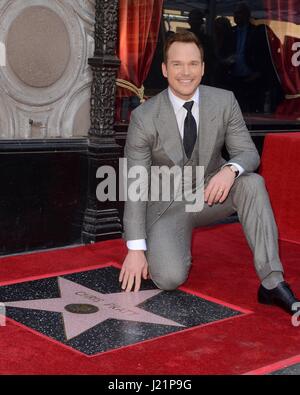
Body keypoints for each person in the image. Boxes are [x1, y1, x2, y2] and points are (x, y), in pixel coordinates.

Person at [119, 30, 298, 315]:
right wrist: (135, 249)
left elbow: (248, 152)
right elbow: (135, 184)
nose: (185, 72)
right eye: (177, 64)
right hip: (168, 205)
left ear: (203, 68)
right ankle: (163, 246)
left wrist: (230, 169)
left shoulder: (224, 101)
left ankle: (272, 282)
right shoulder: (143, 117)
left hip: (210, 194)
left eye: (193, 63)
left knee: (252, 183)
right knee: (168, 279)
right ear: (165, 70)